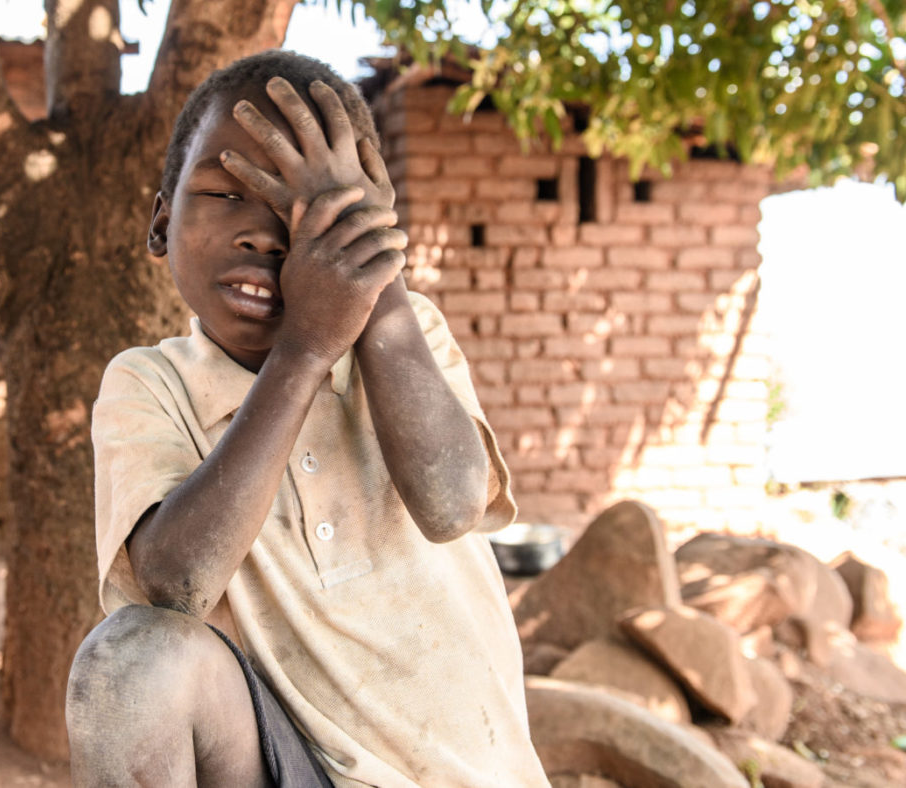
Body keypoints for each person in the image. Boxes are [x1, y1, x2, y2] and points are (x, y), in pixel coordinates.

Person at [67, 51, 549, 787]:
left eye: (311, 209)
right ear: (160, 222)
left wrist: (374, 286)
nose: (267, 235)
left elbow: (452, 505)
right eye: (227, 193)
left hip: (465, 771)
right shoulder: (149, 383)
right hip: (293, 769)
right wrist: (304, 351)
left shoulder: (407, 334)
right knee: (128, 659)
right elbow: (176, 585)